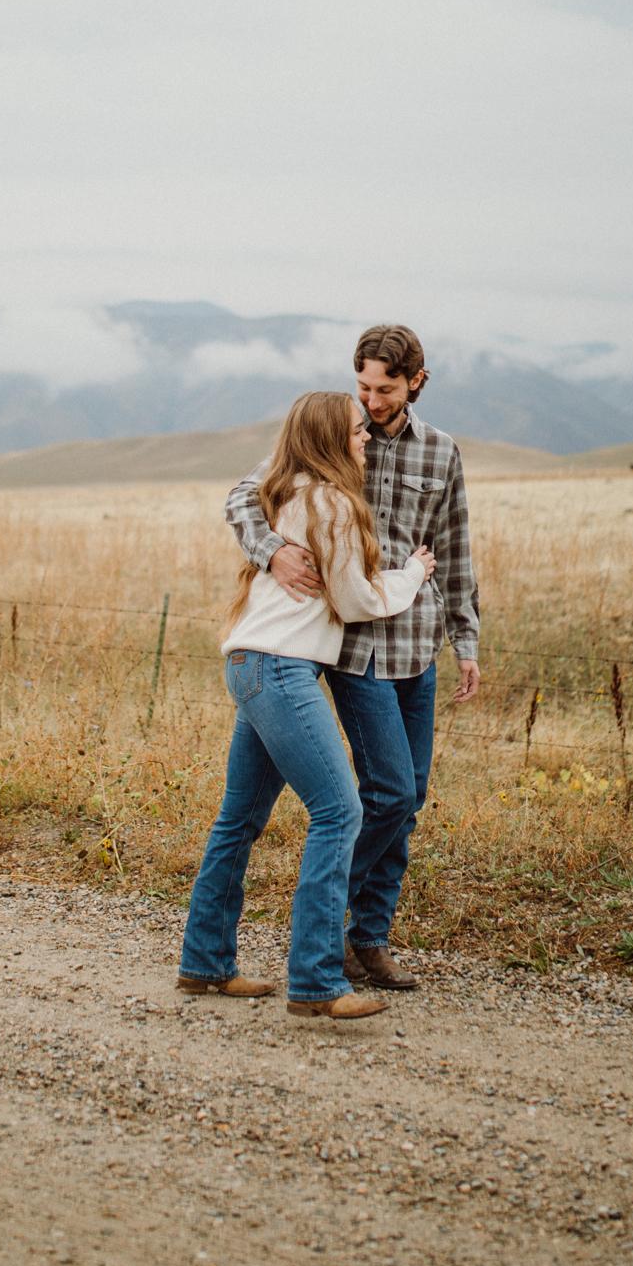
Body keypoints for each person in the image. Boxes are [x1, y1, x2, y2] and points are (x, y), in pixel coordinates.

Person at [226, 325, 480, 991]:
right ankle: (324, 926)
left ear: (416, 382)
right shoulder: (332, 436)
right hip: (357, 647)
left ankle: (367, 938)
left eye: (385, 389)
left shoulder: (441, 452)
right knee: (385, 792)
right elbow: (243, 496)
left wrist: (466, 640)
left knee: (407, 799)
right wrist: (272, 553)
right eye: (363, 386)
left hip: (417, 644)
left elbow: (453, 547)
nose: (371, 401)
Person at [178, 391, 437, 1020]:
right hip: (280, 670)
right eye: (355, 431)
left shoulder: (285, 491)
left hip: (250, 664)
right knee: (340, 812)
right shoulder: (332, 503)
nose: (366, 438)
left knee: (239, 820)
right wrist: (412, 574)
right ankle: (317, 981)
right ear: (328, 440)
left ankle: (205, 963)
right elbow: (356, 601)